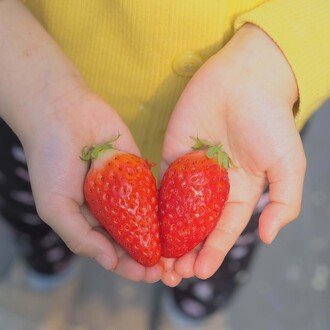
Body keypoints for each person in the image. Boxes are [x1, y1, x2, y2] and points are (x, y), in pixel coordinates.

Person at [0, 0, 329, 323]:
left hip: (244, 135)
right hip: (34, 105)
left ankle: (190, 313)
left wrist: (280, 56)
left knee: (219, 253)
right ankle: (48, 274)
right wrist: (37, 90)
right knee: (35, 213)